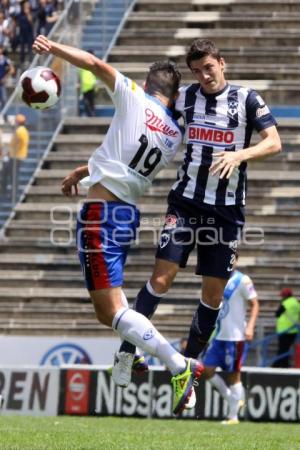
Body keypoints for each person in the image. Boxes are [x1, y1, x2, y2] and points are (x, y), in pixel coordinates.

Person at [32, 34, 204, 415]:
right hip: (127, 214)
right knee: (113, 308)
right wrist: (85, 170)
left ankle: (179, 366)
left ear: (146, 85)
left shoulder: (132, 96)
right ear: (173, 96)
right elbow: (125, 159)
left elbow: (94, 64)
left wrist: (53, 49)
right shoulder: (174, 133)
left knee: (109, 311)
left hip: (101, 215)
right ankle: (139, 350)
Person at [114, 38, 281, 386]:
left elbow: (274, 142)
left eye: (209, 67)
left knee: (213, 295)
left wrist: (238, 155)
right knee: (162, 277)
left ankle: (186, 370)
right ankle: (127, 354)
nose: (204, 76)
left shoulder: (247, 99)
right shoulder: (186, 98)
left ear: (222, 63)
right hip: (186, 203)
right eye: (197, 71)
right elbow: (155, 131)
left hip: (227, 213)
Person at [201, 254, 259, 424]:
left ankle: (233, 416)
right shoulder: (217, 278)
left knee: (234, 374)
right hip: (219, 335)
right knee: (207, 369)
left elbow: (255, 303)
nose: (229, 261)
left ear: (237, 261)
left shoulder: (243, 280)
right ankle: (233, 400)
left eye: (233, 258)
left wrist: (250, 326)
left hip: (236, 337)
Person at [1, 113, 30, 196]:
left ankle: (11, 193)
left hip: (16, 156)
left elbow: (16, 144)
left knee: (11, 175)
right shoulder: (23, 130)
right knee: (11, 174)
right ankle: (10, 192)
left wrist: (10, 152)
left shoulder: (19, 131)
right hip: (17, 155)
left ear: (18, 122)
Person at [273, 288, 300, 368]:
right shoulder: (296, 303)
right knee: (286, 348)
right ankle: (283, 364)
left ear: (285, 296)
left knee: (282, 349)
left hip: (284, 330)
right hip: (293, 330)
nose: (282, 297)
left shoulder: (285, 303)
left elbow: (277, 314)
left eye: (282, 296)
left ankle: (278, 365)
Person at [78, 50, 97, 117]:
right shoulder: (82, 65)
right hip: (86, 87)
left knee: (90, 102)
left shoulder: (93, 64)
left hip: (91, 86)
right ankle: (91, 115)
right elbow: (79, 75)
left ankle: (92, 115)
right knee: (87, 103)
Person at [0, 44, 14, 110]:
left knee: (4, 99)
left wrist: (5, 77)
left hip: (1, 83)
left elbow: (12, 69)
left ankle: (3, 115)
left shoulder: (5, 59)